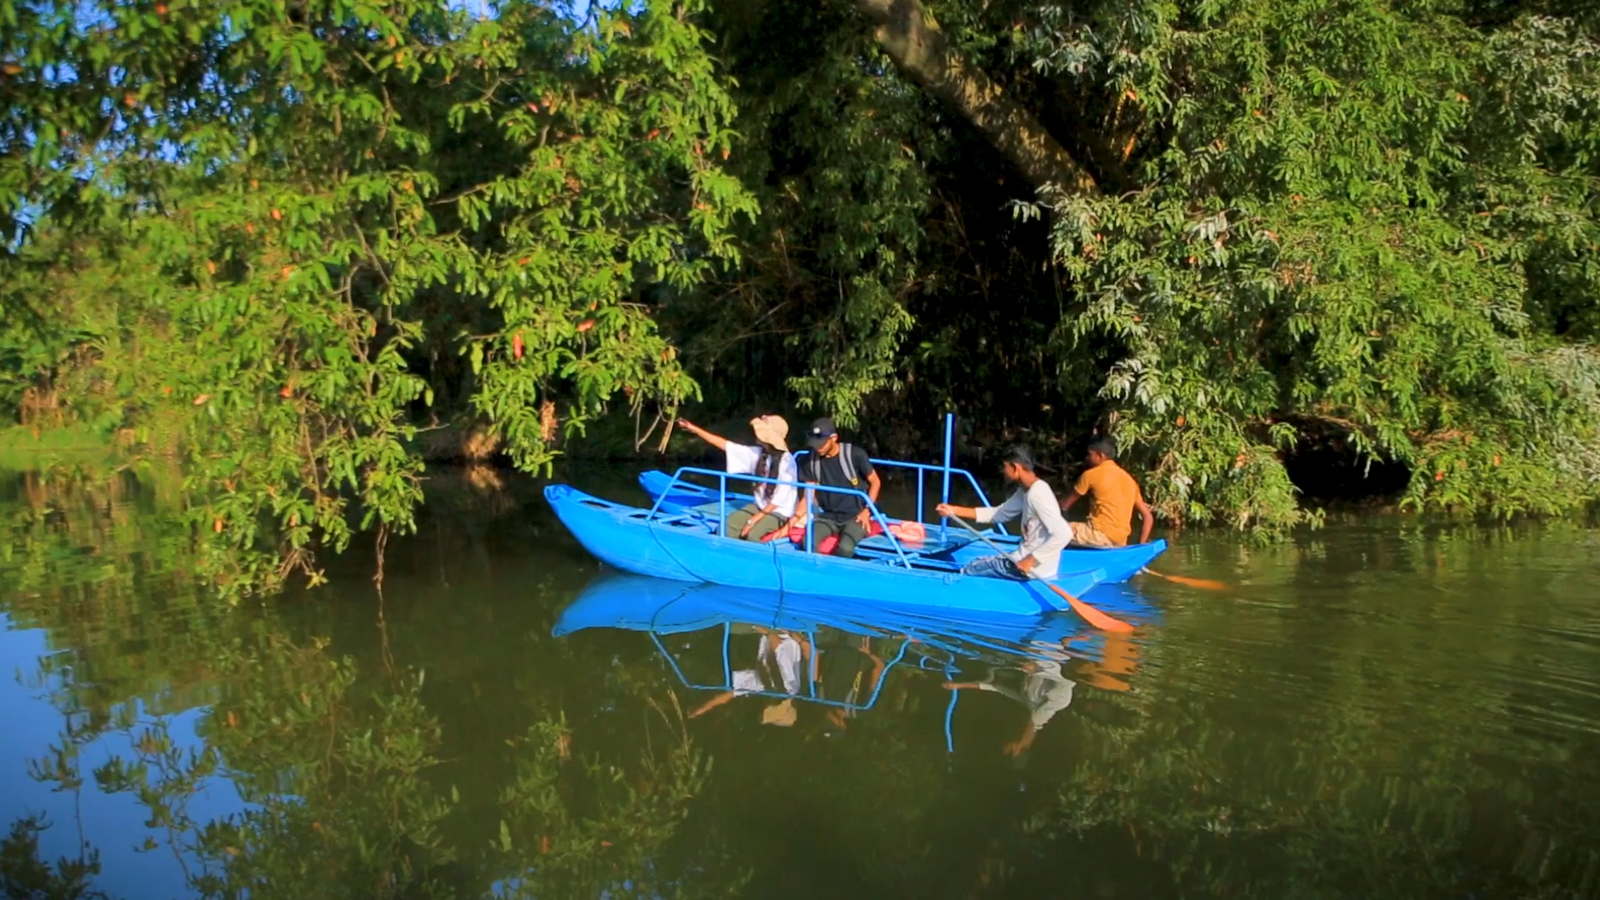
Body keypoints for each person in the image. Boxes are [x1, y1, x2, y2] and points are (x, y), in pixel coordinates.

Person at [936, 446, 1071, 580]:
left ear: (1015, 467)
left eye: (1004, 466)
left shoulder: (1037, 494)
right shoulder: (1026, 490)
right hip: (1026, 561)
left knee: (971, 568)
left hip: (1032, 570)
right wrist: (953, 510)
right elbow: (999, 514)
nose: (1003, 471)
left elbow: (1064, 533)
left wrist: (1030, 560)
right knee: (978, 562)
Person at [675, 415, 798, 541]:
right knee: (726, 526)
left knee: (753, 535)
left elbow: (778, 501)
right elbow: (725, 445)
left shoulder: (788, 462)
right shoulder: (758, 453)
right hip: (760, 506)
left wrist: (752, 521)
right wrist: (694, 429)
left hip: (780, 512)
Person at [791, 417, 880, 558]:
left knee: (846, 548)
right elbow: (809, 494)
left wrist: (866, 511)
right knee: (808, 543)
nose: (818, 448)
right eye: (815, 444)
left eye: (822, 444)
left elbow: (875, 481)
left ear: (834, 438)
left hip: (855, 516)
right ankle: (817, 573)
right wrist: (794, 519)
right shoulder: (810, 461)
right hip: (828, 516)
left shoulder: (855, 455)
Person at [1060, 438, 1154, 547]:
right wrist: (1141, 545)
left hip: (1098, 535)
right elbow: (1148, 517)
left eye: (1090, 454)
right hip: (1120, 541)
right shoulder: (1129, 480)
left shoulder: (1090, 475)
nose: (1087, 458)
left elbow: (1065, 505)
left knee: (1053, 529)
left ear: (1101, 456)